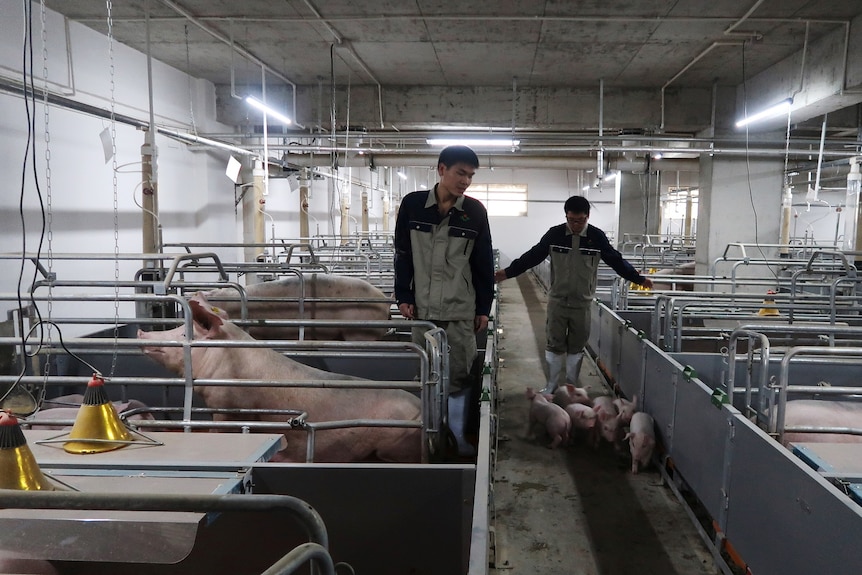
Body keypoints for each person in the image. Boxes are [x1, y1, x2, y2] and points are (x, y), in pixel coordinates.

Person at [495, 195, 653, 394]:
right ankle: (551, 385)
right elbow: (533, 256)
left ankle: (570, 385)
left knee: (577, 345)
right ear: (566, 216)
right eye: (572, 220)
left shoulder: (596, 237)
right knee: (554, 343)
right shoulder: (555, 235)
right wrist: (507, 272)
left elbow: (616, 260)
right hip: (558, 301)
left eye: (580, 220)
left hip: (582, 303)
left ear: (587, 217)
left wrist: (637, 279)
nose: (576, 225)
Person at [394, 145, 495, 392]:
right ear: (442, 169)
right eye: (461, 173)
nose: (466, 181)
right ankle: (430, 429)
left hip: (460, 310)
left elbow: (483, 262)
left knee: (459, 375)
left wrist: (483, 307)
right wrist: (403, 295)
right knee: (426, 373)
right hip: (422, 308)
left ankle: (454, 428)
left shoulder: (475, 211)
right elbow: (402, 254)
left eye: (471, 175)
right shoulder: (413, 205)